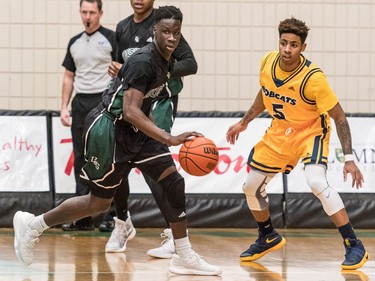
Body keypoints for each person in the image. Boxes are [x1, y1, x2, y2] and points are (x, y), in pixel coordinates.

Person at [13, 6, 222, 276]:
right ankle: (33, 225)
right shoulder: (143, 61)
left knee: (173, 182)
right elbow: (130, 111)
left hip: (138, 131)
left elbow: (151, 101)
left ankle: (183, 254)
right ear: (154, 31)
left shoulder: (167, 59)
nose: (172, 37)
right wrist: (169, 137)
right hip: (109, 130)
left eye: (176, 33)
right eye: (166, 31)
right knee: (98, 203)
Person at [226, 17, 370, 270]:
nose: (287, 49)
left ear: (303, 47)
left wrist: (349, 158)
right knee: (250, 187)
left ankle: (353, 244)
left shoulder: (313, 79)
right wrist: (245, 121)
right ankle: (268, 236)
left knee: (316, 181)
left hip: (311, 131)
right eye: (283, 43)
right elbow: (265, 92)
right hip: (280, 131)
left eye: (293, 45)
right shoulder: (268, 61)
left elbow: (339, 117)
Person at [101, 0, 197, 259]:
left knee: (156, 165)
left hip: (160, 101)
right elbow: (123, 64)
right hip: (133, 101)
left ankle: (172, 233)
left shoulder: (165, 24)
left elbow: (190, 63)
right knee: (117, 163)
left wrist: (162, 72)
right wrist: (117, 69)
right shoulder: (122, 26)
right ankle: (122, 221)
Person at [59, 0, 117, 231]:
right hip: (81, 102)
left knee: (106, 158)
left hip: (103, 101)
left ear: (100, 13)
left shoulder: (112, 38)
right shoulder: (74, 42)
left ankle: (110, 215)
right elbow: (68, 76)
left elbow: (123, 69)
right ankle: (81, 217)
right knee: (81, 157)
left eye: (92, 12)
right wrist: (64, 106)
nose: (88, 16)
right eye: (84, 12)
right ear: (80, 13)